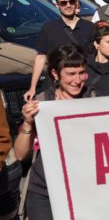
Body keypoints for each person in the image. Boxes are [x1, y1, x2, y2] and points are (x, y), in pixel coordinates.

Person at [15, 45, 89, 220]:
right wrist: (28, 123)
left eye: (82, 73)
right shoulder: (41, 104)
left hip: (86, 188)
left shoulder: (93, 98)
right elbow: (20, 154)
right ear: (55, 74)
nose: (77, 80)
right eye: (70, 74)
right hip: (45, 190)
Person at [25, 0, 95, 101]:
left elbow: (95, 59)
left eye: (71, 2)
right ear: (57, 6)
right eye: (63, 3)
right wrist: (32, 87)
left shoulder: (90, 27)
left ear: (76, 3)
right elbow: (41, 57)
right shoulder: (49, 28)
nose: (68, 5)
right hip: (54, 84)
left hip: (80, 83)